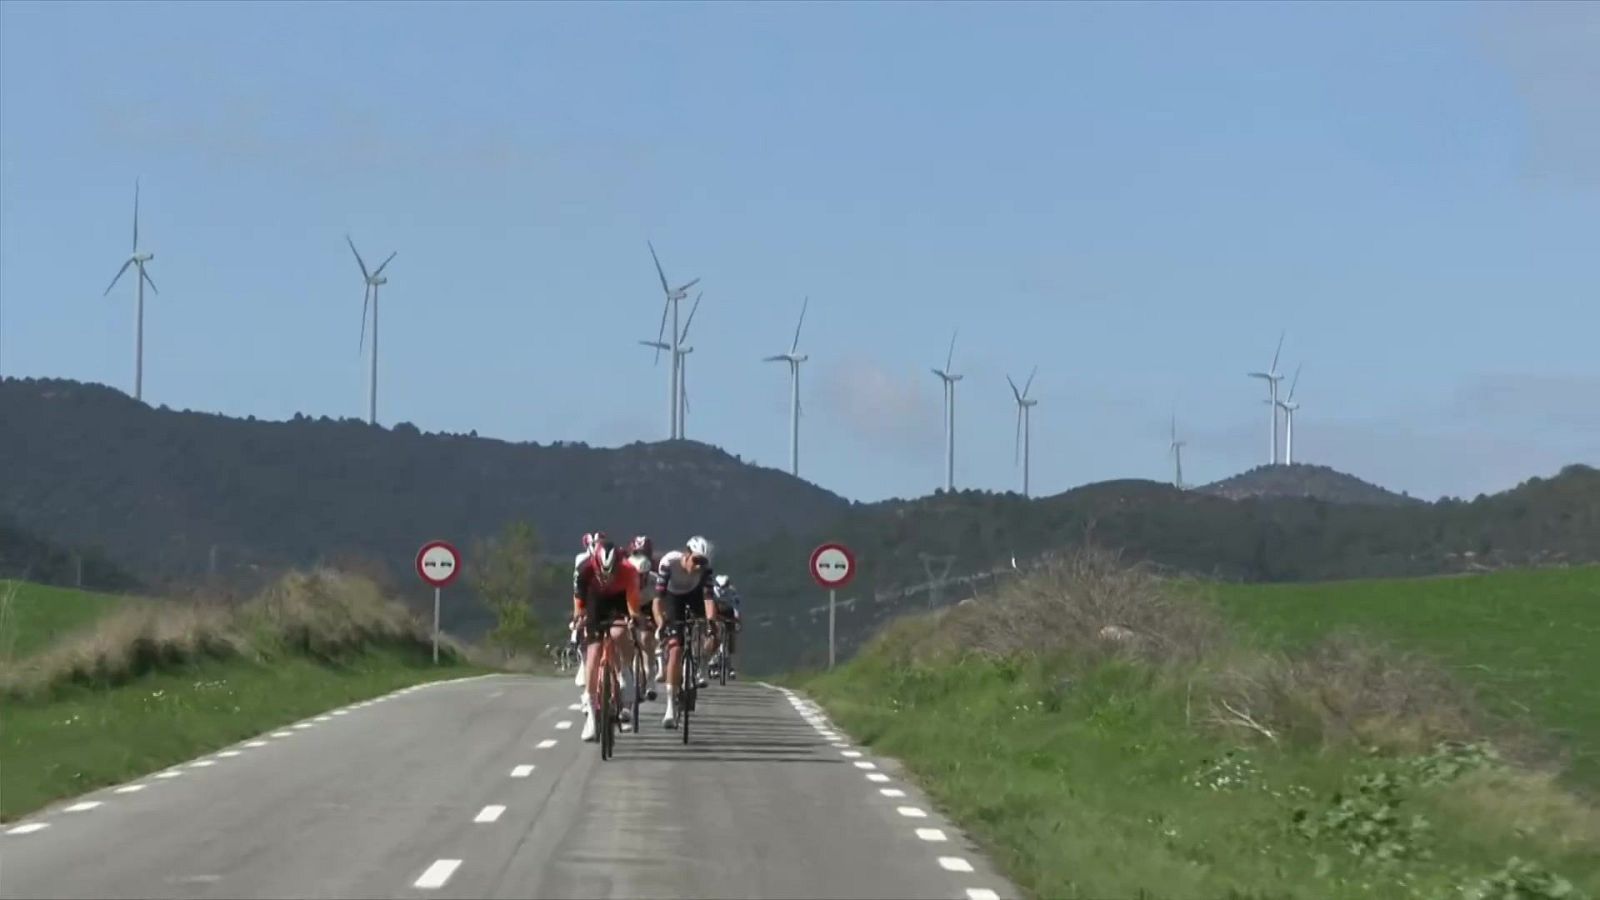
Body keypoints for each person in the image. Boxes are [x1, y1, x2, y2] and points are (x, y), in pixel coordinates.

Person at [573, 536, 643, 743]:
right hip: (595, 601)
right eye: (602, 573)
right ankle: (591, 714)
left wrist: (633, 619)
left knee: (619, 633)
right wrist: (579, 618)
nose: (607, 577)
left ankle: (624, 671)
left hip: (618, 601)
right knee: (593, 653)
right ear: (595, 563)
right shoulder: (585, 568)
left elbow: (632, 604)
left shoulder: (628, 570)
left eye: (611, 573)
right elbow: (579, 601)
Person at [653, 535, 717, 728]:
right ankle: (670, 707)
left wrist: (711, 626)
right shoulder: (669, 564)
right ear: (686, 554)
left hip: (694, 594)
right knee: (675, 649)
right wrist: (661, 623)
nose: (698, 566)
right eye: (696, 560)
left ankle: (702, 665)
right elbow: (658, 601)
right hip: (673, 598)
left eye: (703, 563)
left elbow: (708, 601)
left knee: (715, 629)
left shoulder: (704, 572)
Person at [571, 532, 607, 692]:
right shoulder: (582, 560)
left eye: (601, 543)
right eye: (595, 544)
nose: (598, 547)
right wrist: (579, 612)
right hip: (585, 592)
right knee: (580, 624)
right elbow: (578, 589)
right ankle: (582, 659)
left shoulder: (608, 556)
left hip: (607, 594)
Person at [626, 535, 660, 699]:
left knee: (646, 639)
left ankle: (650, 678)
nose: (639, 580)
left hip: (648, 607)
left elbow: (659, 606)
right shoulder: (623, 579)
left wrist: (655, 623)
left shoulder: (654, 580)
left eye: (642, 577)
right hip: (627, 606)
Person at [708, 573, 741, 680]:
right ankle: (712, 660)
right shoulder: (712, 592)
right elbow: (709, 609)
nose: (722, 590)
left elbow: (736, 608)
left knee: (731, 638)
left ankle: (730, 665)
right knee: (714, 635)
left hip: (728, 613)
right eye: (720, 587)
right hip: (716, 613)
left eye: (724, 587)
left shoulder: (732, 592)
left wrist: (737, 622)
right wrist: (711, 622)